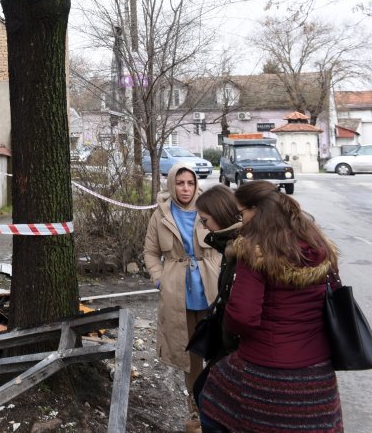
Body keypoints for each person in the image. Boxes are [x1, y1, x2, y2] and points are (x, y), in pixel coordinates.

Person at [198, 181, 343, 433]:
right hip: (318, 374)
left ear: (256, 210)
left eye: (241, 214)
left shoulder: (255, 252)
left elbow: (242, 317)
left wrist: (228, 325)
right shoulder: (319, 246)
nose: (241, 221)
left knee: (209, 400)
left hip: (264, 371)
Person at [144, 163, 221, 433]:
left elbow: (227, 241)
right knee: (190, 358)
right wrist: (160, 279)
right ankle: (196, 412)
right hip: (179, 296)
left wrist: (221, 271)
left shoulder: (209, 208)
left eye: (190, 183)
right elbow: (150, 252)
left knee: (218, 352)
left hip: (211, 292)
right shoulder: (161, 214)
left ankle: (220, 409)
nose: (186, 188)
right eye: (180, 183)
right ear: (172, 185)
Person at [187, 185, 243, 402]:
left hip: (237, 351)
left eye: (205, 220)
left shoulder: (241, 251)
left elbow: (241, 310)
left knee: (206, 395)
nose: (204, 226)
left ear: (220, 214)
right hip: (230, 348)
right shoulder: (230, 246)